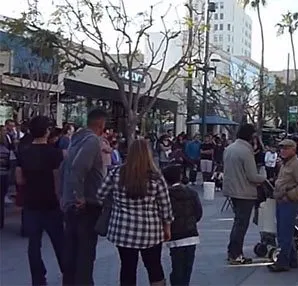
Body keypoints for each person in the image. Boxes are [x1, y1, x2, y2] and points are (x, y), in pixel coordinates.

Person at [97, 139, 173, 286]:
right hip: (150, 231)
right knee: (154, 267)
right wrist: (167, 227)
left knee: (127, 267)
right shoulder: (156, 178)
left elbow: (100, 194)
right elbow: (165, 206)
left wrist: (115, 203)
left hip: (123, 231)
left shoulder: (116, 173)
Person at [15, 116, 65, 285]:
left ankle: (38, 279)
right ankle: (67, 273)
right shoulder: (54, 153)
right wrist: (60, 200)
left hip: (31, 203)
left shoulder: (23, 151)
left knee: (34, 245)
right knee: (59, 242)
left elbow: (19, 179)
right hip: (50, 203)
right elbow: (57, 180)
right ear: (47, 131)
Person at [61, 109, 107, 286]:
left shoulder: (75, 140)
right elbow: (78, 167)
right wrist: (78, 195)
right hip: (86, 205)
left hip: (73, 204)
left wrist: (65, 196)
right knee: (85, 255)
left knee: (72, 252)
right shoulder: (92, 141)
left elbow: (66, 167)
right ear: (100, 124)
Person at [223, 124, 266, 265]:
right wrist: (264, 178)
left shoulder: (230, 148)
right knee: (241, 224)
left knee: (238, 222)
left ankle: (232, 251)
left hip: (233, 190)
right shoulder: (245, 152)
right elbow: (252, 176)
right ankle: (236, 253)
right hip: (244, 191)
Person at [269, 139, 298, 272]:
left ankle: (283, 261)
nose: (283, 150)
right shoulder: (285, 164)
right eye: (281, 148)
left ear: (293, 149)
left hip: (289, 202)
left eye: (286, 148)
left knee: (285, 233)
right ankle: (291, 258)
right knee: (283, 231)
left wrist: (289, 196)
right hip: (281, 200)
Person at [162, 165, 202, 286]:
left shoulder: (167, 195)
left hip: (175, 236)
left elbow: (164, 214)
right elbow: (198, 212)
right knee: (188, 265)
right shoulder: (192, 192)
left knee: (177, 265)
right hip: (191, 234)